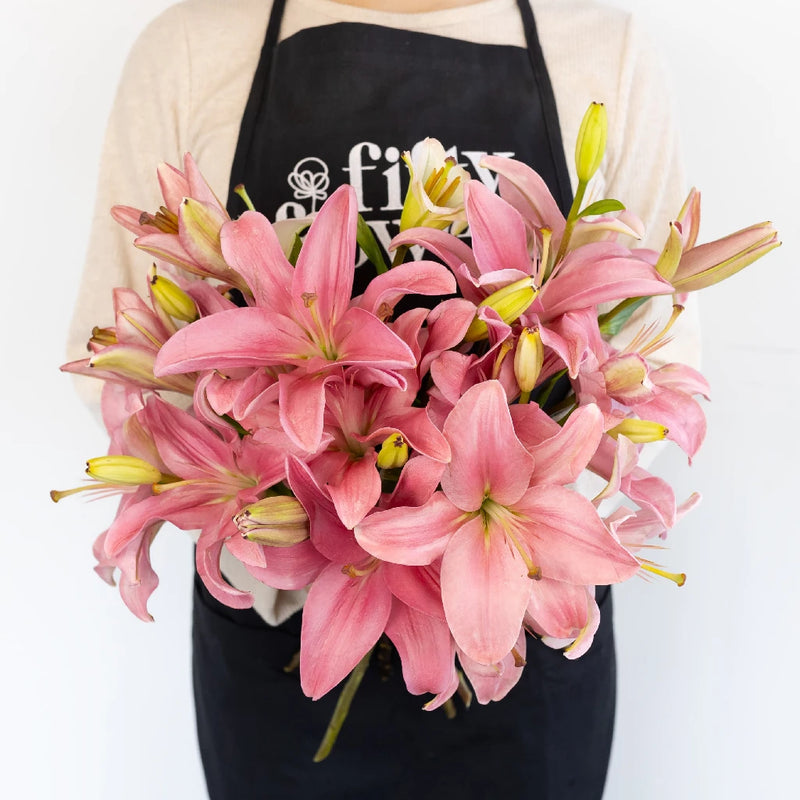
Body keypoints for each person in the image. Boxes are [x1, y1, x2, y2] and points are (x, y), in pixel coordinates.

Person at [69, 1, 701, 797]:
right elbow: (124, 372)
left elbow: (660, 357)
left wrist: (446, 529)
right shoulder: (190, 48)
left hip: (523, 622)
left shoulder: (605, 47)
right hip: (287, 626)